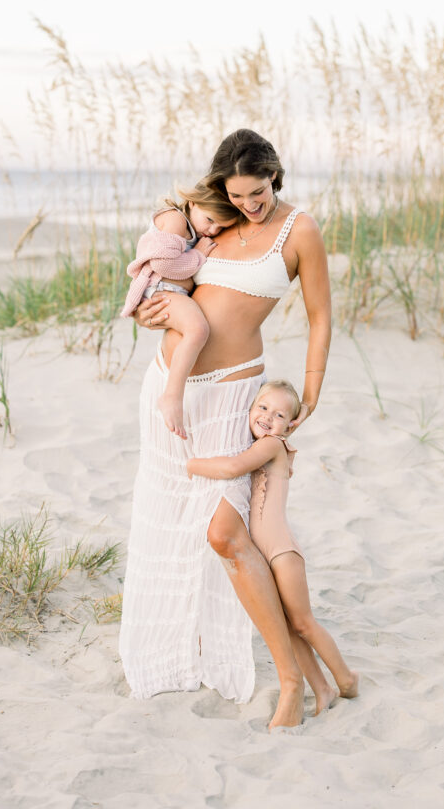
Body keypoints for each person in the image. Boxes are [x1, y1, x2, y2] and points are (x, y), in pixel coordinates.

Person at [119, 129, 331, 729]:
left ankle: (291, 679)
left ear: (275, 177)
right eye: (238, 195)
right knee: (179, 531)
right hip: (172, 392)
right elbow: (163, 283)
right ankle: (196, 655)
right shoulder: (215, 218)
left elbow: (320, 316)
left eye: (258, 192)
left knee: (225, 535)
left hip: (236, 397)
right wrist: (148, 312)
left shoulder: (299, 231)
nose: (248, 205)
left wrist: (312, 385)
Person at [187, 379, 359, 714]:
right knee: (288, 627)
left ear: (290, 426)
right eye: (262, 408)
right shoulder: (258, 442)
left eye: (279, 414)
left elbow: (232, 468)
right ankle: (322, 690)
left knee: (304, 623)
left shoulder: (271, 445)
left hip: (282, 553)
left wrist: (190, 465)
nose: (268, 417)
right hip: (264, 553)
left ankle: (347, 679)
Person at [120, 181, 238, 438]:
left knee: (196, 330)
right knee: (197, 330)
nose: (212, 229)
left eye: (221, 227)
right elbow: (163, 265)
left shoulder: (193, 226)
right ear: (193, 203)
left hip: (172, 292)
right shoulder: (175, 219)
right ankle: (172, 396)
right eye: (210, 220)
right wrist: (198, 256)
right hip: (161, 290)